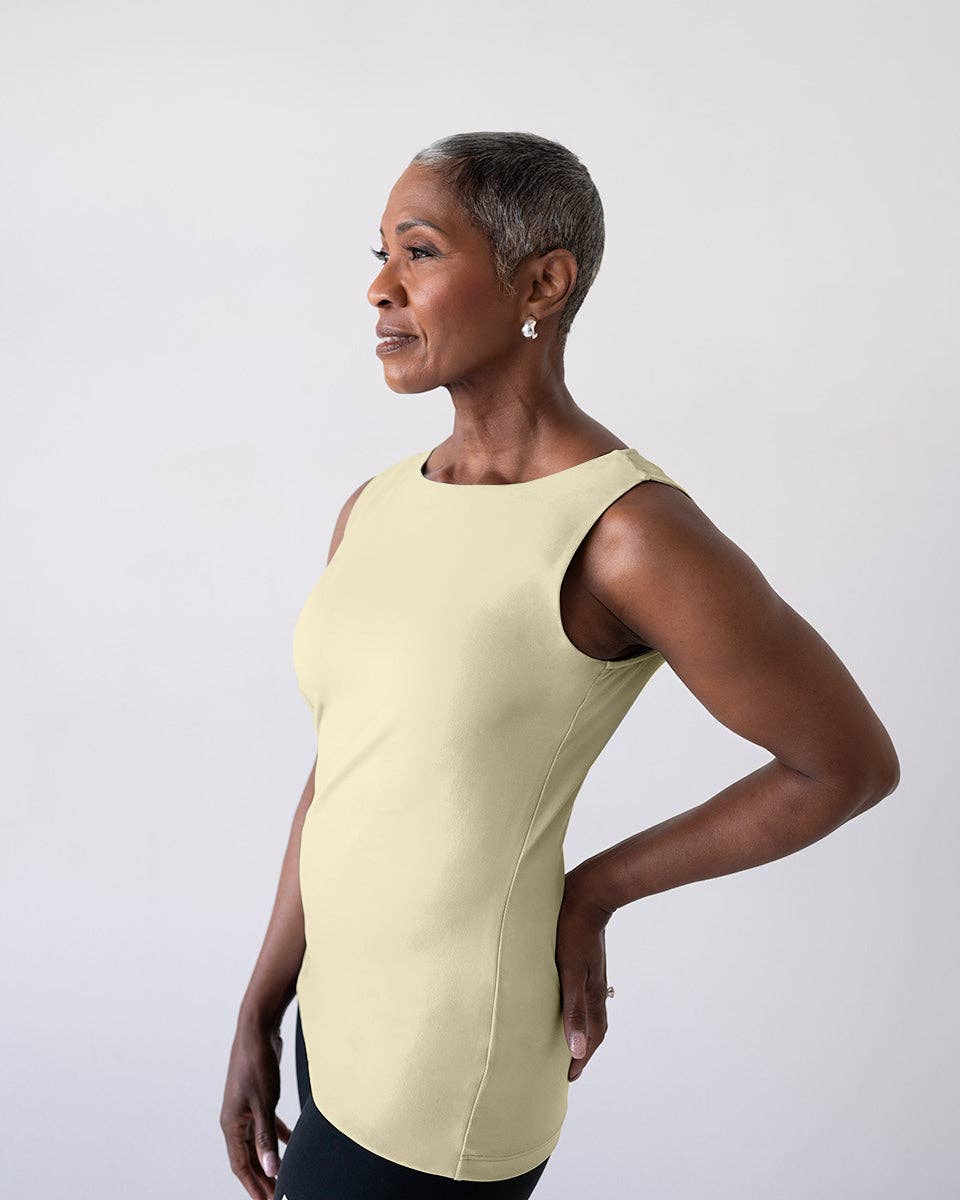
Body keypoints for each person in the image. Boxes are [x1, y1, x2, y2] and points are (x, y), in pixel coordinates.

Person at [220, 132, 900, 1199]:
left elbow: (844, 765)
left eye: (419, 252)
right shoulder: (378, 504)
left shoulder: (625, 531)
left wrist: (596, 893)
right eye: (380, 253)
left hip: (446, 1060)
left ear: (541, 283)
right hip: (335, 1019)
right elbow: (342, 771)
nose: (379, 288)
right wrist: (263, 1003)